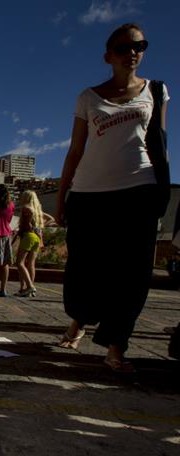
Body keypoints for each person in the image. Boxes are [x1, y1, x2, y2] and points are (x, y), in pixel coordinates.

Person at [56, 23, 170, 373]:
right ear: (109, 56)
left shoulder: (156, 90)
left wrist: (163, 196)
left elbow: (160, 143)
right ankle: (79, 320)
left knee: (132, 276)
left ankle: (116, 348)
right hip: (90, 193)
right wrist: (62, 197)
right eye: (123, 48)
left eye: (139, 46)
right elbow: (75, 150)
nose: (132, 52)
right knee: (84, 270)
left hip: (139, 189)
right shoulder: (88, 97)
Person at [13, 190, 54, 297]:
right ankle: (27, 289)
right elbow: (51, 219)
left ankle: (29, 287)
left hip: (28, 237)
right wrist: (42, 226)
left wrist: (27, 227)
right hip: (37, 239)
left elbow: (24, 225)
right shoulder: (38, 211)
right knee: (31, 264)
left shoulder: (26, 208)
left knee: (20, 263)